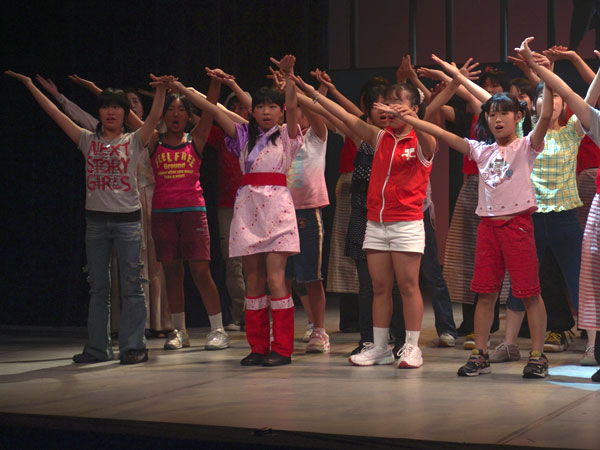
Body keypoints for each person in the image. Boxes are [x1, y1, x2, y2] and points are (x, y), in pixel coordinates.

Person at [391, 41, 552, 378]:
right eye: (491, 115)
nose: (497, 119)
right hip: (488, 228)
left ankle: (537, 355)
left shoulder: (526, 146)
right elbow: (443, 134)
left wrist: (546, 76)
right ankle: (480, 353)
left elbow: (547, 115)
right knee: (485, 294)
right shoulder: (481, 150)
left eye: (504, 114)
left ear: (518, 117)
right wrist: (414, 119)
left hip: (518, 226)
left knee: (530, 293)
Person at [5, 70, 173, 364]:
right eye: (106, 106)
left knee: (132, 286)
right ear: (100, 112)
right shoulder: (86, 139)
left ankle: (133, 346)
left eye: (116, 107)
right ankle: (98, 348)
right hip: (96, 223)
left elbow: (153, 118)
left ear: (125, 113)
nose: (111, 112)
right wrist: (30, 85)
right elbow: (54, 113)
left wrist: (160, 90)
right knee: (98, 288)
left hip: (128, 222)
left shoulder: (134, 140)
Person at [295, 72, 436, 368]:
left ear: (414, 108)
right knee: (379, 287)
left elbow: (429, 139)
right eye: (388, 103)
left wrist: (413, 118)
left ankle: (412, 348)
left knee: (408, 286)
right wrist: (311, 92)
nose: (390, 109)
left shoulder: (422, 141)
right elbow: (344, 116)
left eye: (398, 103)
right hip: (375, 223)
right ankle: (380, 347)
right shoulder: (379, 137)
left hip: (406, 223)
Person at [169, 55, 303, 366]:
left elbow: (293, 104)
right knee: (253, 279)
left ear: (281, 111)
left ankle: (282, 348)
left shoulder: (288, 135)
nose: (266, 111)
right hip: (247, 209)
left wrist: (290, 78)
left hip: (278, 211)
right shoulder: (243, 135)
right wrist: (181, 88)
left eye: (272, 106)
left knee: (276, 280)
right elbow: (213, 109)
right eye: (260, 107)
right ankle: (258, 347)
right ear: (252, 111)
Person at [514, 40, 600, 382]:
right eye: (542, 96)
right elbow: (483, 103)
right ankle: (510, 343)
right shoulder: (527, 136)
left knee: (582, 281)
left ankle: (591, 345)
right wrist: (541, 71)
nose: (550, 101)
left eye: (556, 97)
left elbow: (586, 98)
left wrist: (549, 70)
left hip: (565, 217)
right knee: (525, 280)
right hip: (533, 217)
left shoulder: (570, 133)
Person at [148, 77, 230, 351]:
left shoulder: (195, 139)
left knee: (200, 270)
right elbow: (143, 118)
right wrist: (161, 91)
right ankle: (179, 331)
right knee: (172, 273)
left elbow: (210, 110)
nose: (176, 114)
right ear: (163, 115)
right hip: (163, 213)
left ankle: (218, 330)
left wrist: (215, 84)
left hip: (193, 212)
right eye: (170, 110)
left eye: (181, 110)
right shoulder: (154, 140)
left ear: (187, 116)